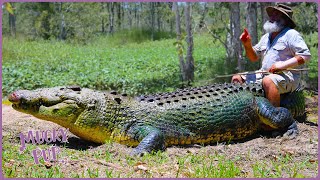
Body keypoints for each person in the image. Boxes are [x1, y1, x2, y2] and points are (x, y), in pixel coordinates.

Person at [231, 4, 311, 107]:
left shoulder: (291, 34)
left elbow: (305, 56)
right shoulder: (266, 37)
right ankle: (243, 113)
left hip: (286, 76)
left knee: (268, 81)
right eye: (271, 14)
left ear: (285, 20)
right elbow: (253, 57)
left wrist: (282, 65)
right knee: (236, 78)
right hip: (263, 73)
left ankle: (275, 118)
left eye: (276, 14)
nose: (271, 17)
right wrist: (247, 44)